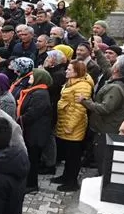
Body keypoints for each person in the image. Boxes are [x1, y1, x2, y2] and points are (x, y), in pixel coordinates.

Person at [50, 60, 94, 192]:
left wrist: (71, 125)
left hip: (73, 125)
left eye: (69, 70)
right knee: (68, 154)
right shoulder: (71, 82)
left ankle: (72, 182)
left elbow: (79, 109)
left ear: (76, 72)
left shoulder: (83, 86)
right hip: (65, 120)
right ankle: (65, 176)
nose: (66, 71)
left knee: (73, 155)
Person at [17, 68, 52, 193]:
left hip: (35, 133)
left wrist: (19, 120)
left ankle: (32, 185)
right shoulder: (35, 91)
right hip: (31, 130)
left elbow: (33, 113)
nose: (30, 78)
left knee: (33, 159)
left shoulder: (40, 94)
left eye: (32, 76)